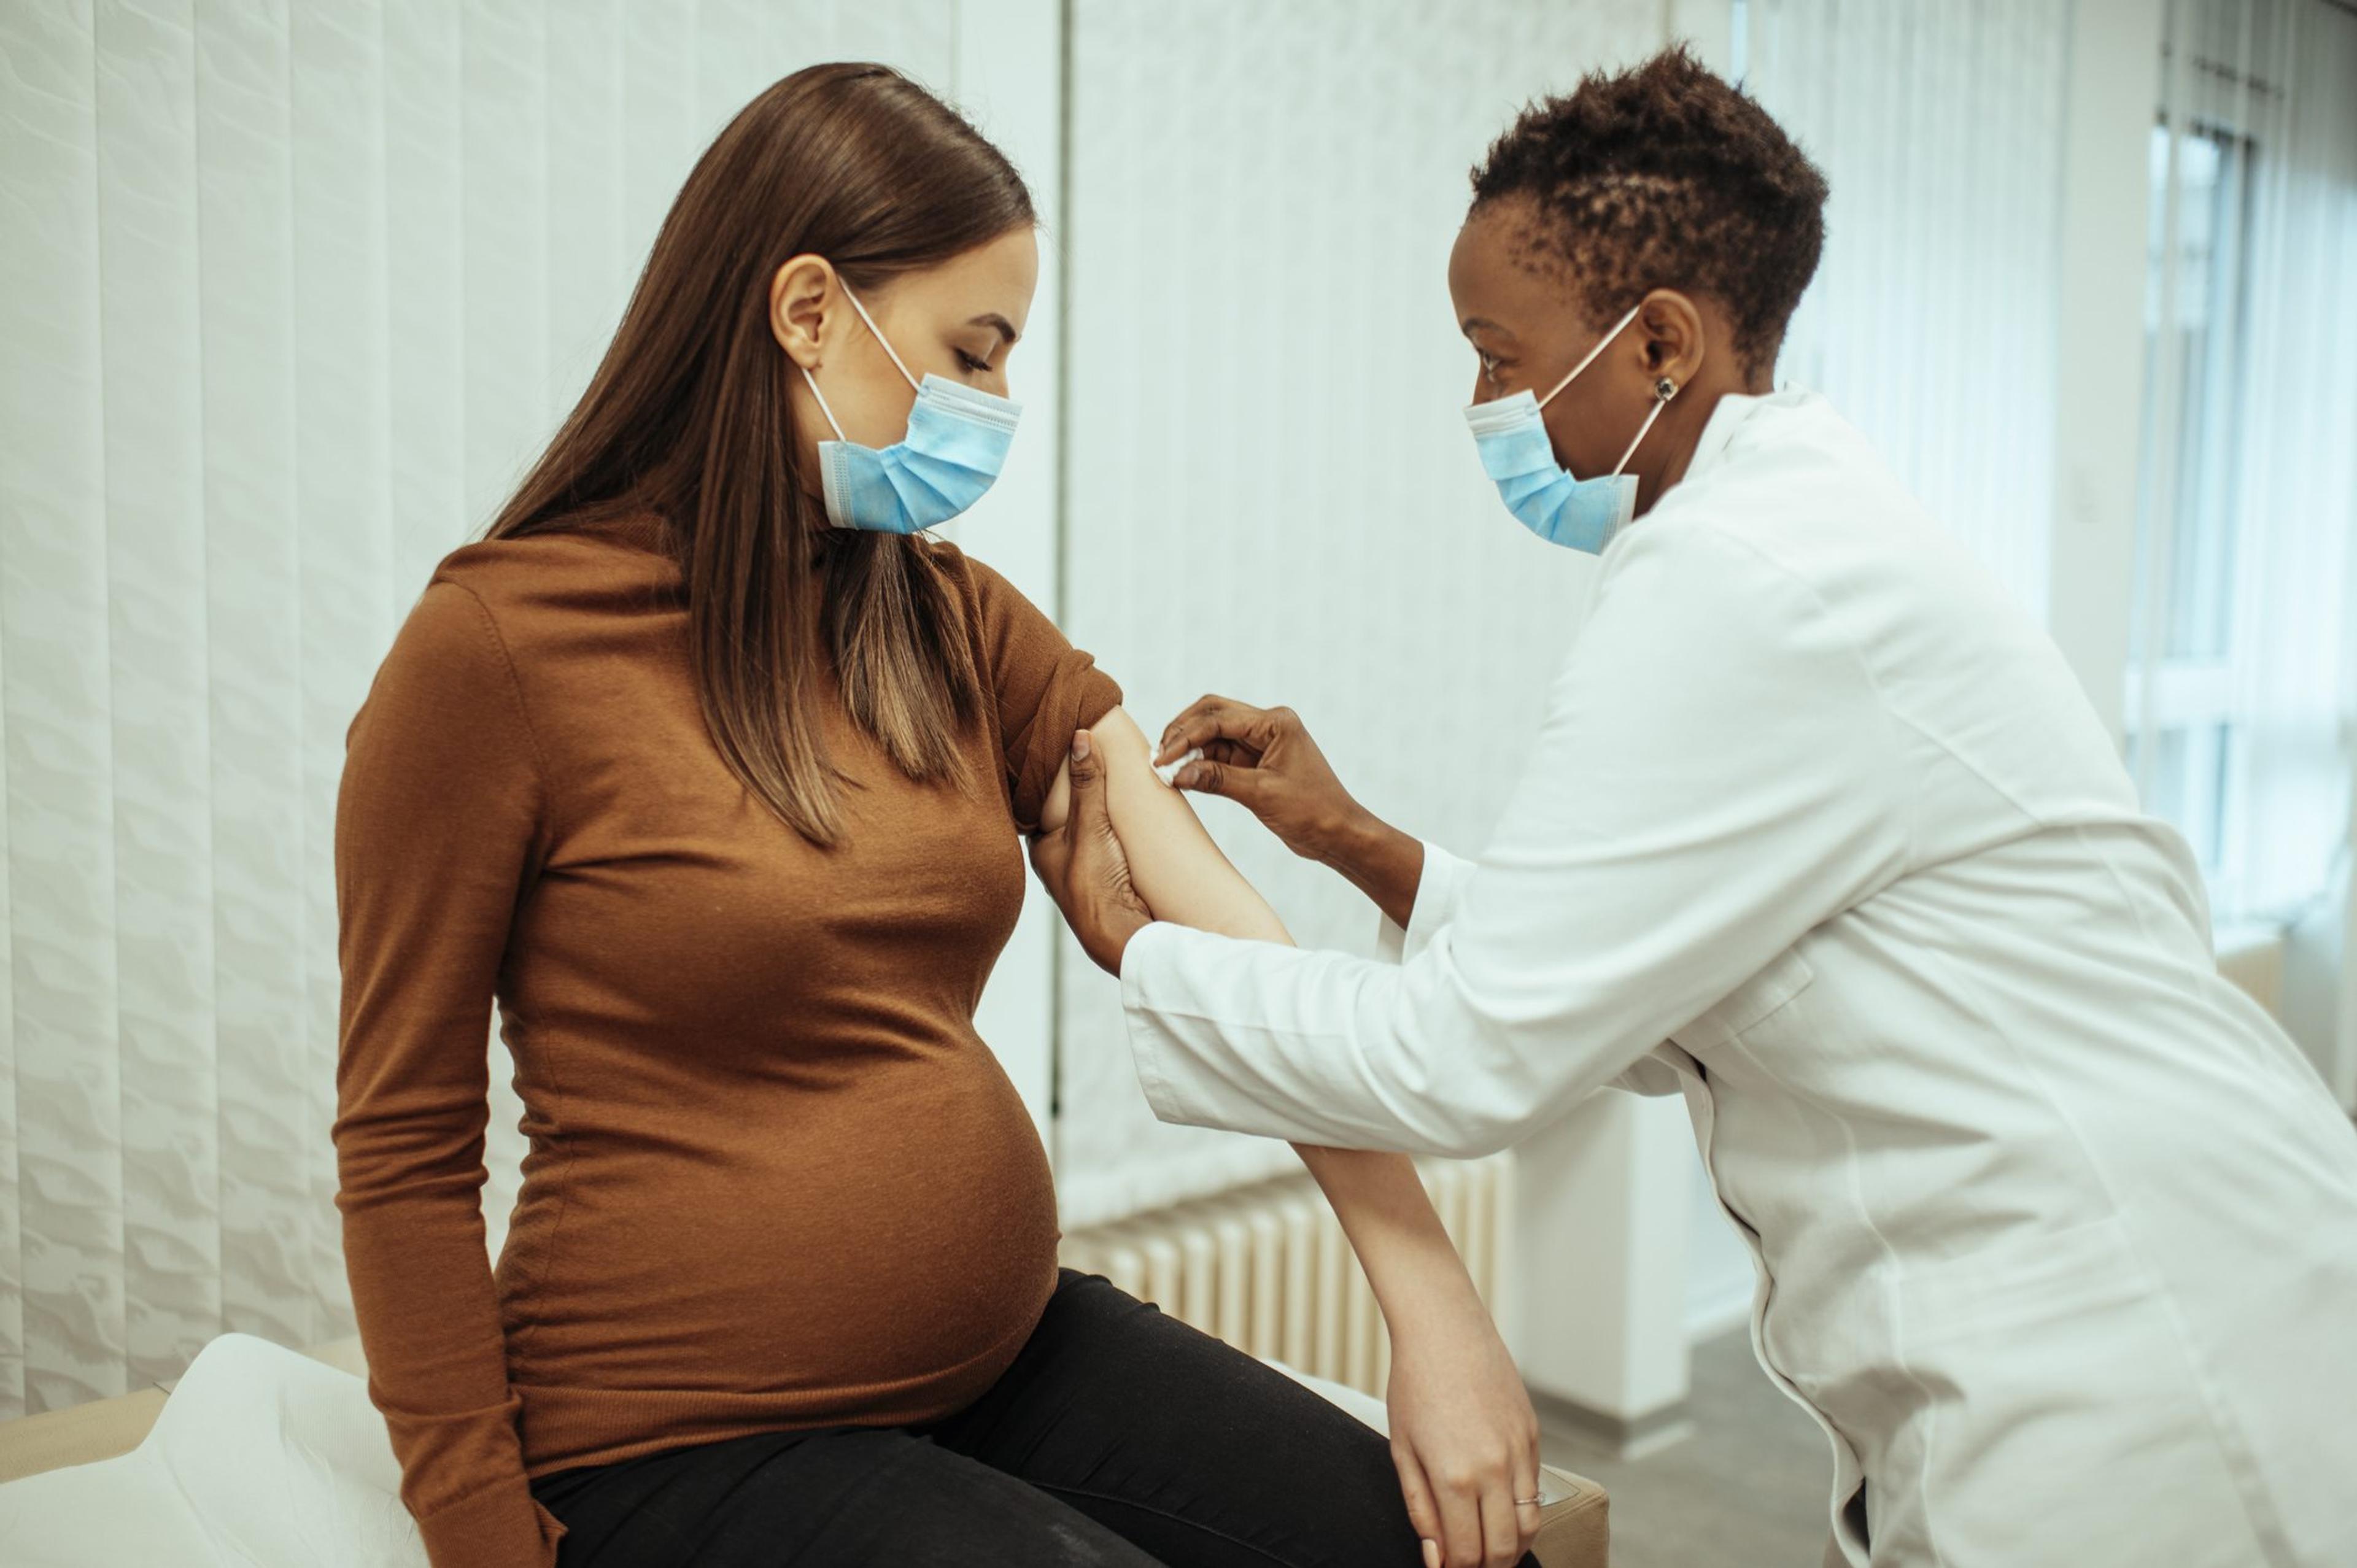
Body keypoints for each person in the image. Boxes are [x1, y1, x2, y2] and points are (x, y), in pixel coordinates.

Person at [1030, 46, 2357, 1568]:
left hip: (2133, 1350)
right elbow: (1663, 1000)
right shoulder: (1788, 544)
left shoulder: (1738, 584)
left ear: (1658, 340)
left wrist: (1140, 947)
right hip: (2126, 1289)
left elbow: (1471, 1056)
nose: (1481, 404)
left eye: (1499, 354)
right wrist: (1358, 842)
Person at [333, 63, 1541, 1568]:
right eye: (973, 354)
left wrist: (1436, 1314)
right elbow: (404, 1147)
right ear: (808, 311)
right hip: (681, 1436)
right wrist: (476, 1535)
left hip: (1002, 1359)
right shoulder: (501, 649)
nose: (997, 407)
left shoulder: (944, 619)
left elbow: (1232, 938)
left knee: (1416, 1546)